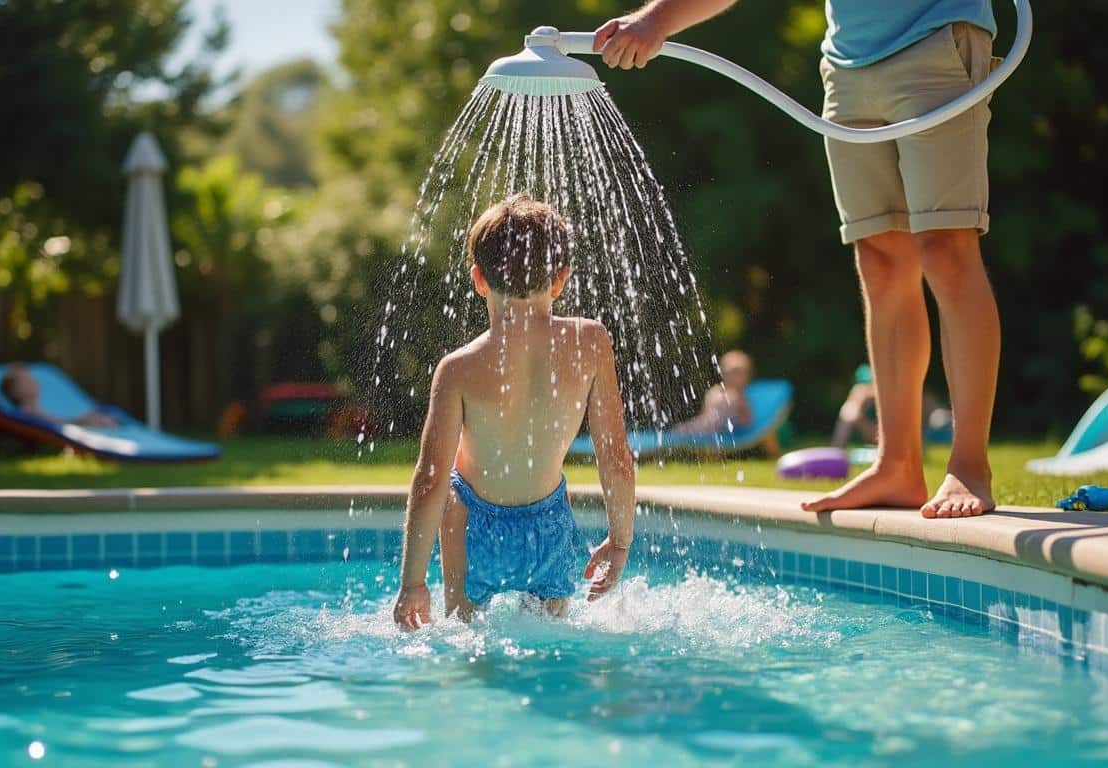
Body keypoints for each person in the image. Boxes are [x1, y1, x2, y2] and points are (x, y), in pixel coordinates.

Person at [594, 0, 1001, 518]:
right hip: (849, 63)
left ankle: (969, 467)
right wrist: (656, 21)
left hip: (936, 39)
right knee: (880, 258)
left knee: (946, 247)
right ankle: (898, 464)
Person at [393, 195, 637, 628]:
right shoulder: (591, 343)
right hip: (549, 524)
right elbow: (615, 456)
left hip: (471, 522)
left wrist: (413, 583)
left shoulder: (459, 369)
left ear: (478, 279)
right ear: (560, 279)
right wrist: (619, 542)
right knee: (548, 646)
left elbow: (430, 477)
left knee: (469, 645)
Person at [0, 364, 119, 429]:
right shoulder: (25, 411)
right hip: (65, 427)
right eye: (25, 382)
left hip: (65, 424)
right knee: (97, 419)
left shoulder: (34, 408)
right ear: (13, 392)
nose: (32, 383)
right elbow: (54, 425)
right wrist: (80, 420)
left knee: (99, 417)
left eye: (31, 380)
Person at [672, 349, 754, 436]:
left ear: (747, 376)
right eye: (728, 372)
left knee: (680, 432)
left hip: (710, 431)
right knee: (679, 431)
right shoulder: (715, 391)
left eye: (739, 373)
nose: (735, 377)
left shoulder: (738, 397)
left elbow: (746, 421)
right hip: (703, 427)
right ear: (722, 373)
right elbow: (704, 414)